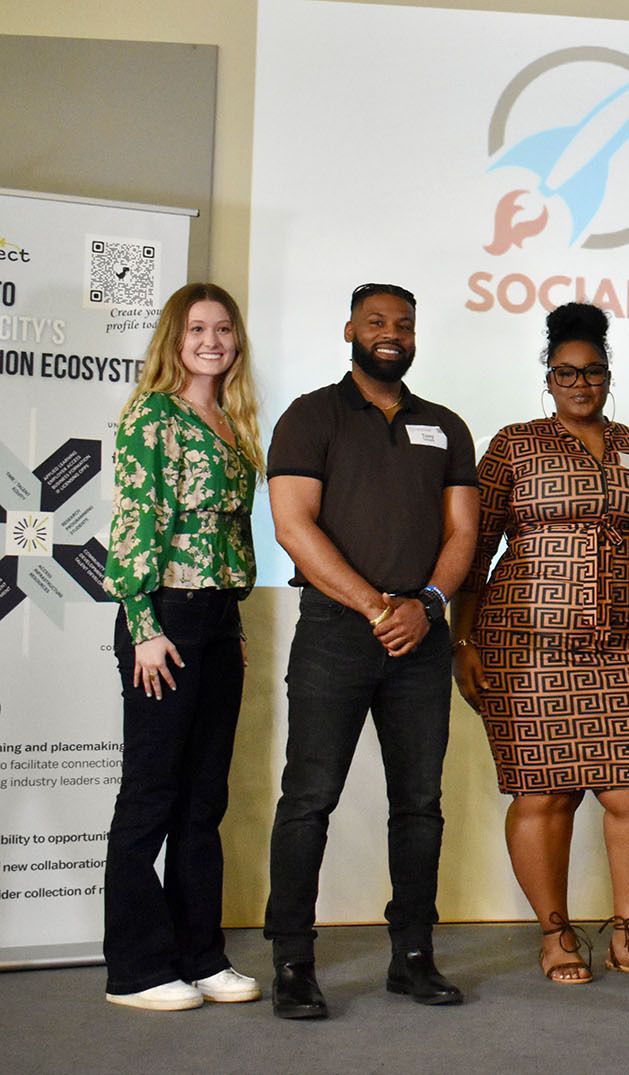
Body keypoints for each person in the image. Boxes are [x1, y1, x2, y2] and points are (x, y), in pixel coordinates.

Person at [263, 283, 478, 1019]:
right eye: (378, 322)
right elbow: (294, 526)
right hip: (335, 633)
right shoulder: (310, 415)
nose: (392, 334)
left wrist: (425, 606)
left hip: (422, 638)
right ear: (349, 328)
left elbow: (463, 535)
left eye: (405, 324)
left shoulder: (444, 425)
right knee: (308, 799)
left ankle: (413, 955)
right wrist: (376, 605)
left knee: (419, 804)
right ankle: (292, 959)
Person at [450, 302, 629, 984]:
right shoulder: (513, 445)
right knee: (543, 794)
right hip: (527, 650)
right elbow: (473, 547)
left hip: (627, 644)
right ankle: (555, 935)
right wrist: (462, 638)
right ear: (547, 378)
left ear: (609, 376)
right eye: (566, 372)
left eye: (594, 371)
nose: (581, 383)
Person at [101, 283, 264, 1011]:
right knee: (151, 795)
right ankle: (136, 969)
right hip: (161, 619)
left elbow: (232, 539)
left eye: (223, 328)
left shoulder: (231, 421)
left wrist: (234, 629)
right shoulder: (152, 415)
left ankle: (200, 956)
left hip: (217, 622)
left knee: (205, 798)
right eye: (197, 327)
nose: (212, 340)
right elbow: (136, 521)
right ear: (174, 337)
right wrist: (143, 626)